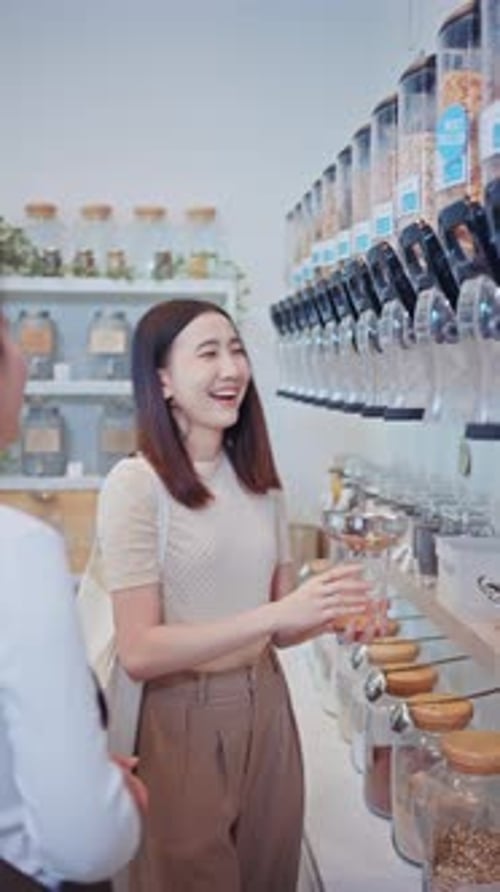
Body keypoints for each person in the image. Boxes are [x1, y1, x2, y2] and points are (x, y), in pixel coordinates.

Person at [96, 298, 370, 892]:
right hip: (180, 722)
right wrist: (278, 612)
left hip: (269, 710)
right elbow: (140, 649)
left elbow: (279, 628)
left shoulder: (262, 486)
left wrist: (328, 612)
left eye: (237, 350)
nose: (231, 369)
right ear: (163, 380)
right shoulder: (135, 487)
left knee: (271, 876)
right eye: (209, 353)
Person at [0, 308, 145, 890]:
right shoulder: (19, 552)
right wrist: (111, 800)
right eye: (8, 340)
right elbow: (84, 843)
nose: (25, 357)